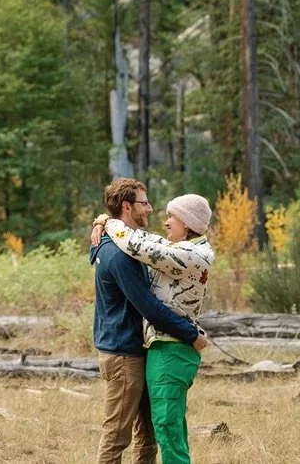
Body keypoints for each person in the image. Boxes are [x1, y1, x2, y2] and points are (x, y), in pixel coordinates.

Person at [90, 194, 214, 464]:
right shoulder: (177, 247)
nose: (165, 221)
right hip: (158, 346)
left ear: (187, 223)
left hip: (172, 346)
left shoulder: (188, 254)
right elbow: (145, 241)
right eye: (144, 203)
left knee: (166, 427)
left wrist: (107, 222)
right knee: (160, 428)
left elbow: (139, 243)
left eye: (173, 217)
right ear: (127, 205)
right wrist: (104, 221)